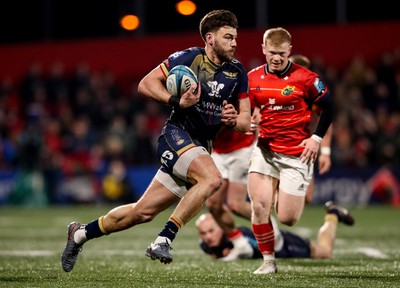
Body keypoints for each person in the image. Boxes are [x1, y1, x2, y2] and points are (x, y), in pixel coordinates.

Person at [61, 9, 251, 272]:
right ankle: (164, 239)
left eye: (235, 37)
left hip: (201, 147)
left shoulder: (237, 72)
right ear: (209, 38)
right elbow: (145, 84)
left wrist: (233, 119)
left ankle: (80, 233)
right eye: (228, 37)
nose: (234, 43)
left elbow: (245, 121)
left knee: (141, 212)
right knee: (212, 179)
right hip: (176, 135)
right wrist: (176, 101)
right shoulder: (188, 58)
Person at [247, 27, 334, 274]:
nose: (276, 58)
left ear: (290, 51)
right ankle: (268, 261)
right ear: (263, 49)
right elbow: (247, 111)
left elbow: (329, 107)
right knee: (259, 206)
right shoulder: (252, 78)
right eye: (272, 52)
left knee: (287, 218)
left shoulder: (306, 78)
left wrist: (317, 139)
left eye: (281, 54)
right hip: (265, 151)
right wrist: (247, 121)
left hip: (297, 154)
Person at [196, 201, 354, 260]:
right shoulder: (205, 245)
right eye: (203, 233)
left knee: (325, 252)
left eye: (211, 231)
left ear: (222, 228)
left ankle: (333, 215)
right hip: (275, 247)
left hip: (283, 245)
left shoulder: (242, 237)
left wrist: (229, 255)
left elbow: (253, 249)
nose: (208, 237)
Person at [205, 119, 257, 261]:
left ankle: (269, 226)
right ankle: (241, 244)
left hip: (242, 147)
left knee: (236, 204)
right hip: (217, 149)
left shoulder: (235, 95)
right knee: (212, 204)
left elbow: (250, 107)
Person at [289, 54, 333, 204]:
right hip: (276, 145)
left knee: (306, 197)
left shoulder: (312, 94)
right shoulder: (275, 87)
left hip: (303, 147)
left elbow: (326, 120)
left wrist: (325, 152)